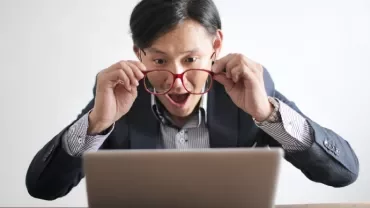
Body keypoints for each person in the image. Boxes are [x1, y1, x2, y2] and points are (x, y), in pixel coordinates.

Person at [26, 0, 359, 201]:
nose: (176, 78)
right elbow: (43, 188)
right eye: (158, 61)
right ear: (138, 55)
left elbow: (343, 173)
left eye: (190, 59)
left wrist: (266, 113)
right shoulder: (119, 95)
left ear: (216, 47)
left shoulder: (246, 90)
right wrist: (97, 124)